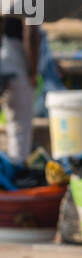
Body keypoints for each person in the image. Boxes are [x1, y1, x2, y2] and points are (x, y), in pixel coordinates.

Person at [0, 14, 40, 162]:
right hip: (17, 66)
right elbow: (31, 32)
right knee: (20, 129)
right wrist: (33, 71)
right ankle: (18, 171)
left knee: (14, 127)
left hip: (5, 61)